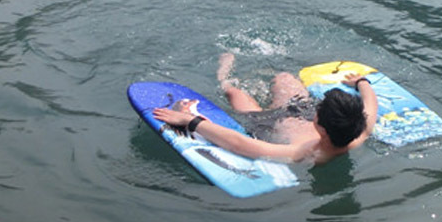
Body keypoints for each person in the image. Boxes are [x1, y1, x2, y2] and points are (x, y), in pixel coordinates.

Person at [152, 53, 378, 165]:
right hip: (301, 110)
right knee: (284, 78)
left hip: (266, 121)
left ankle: (225, 74)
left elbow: (239, 144)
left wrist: (189, 121)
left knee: (233, 93)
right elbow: (370, 104)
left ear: (322, 128)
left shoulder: (302, 153)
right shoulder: (360, 132)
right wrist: (361, 82)